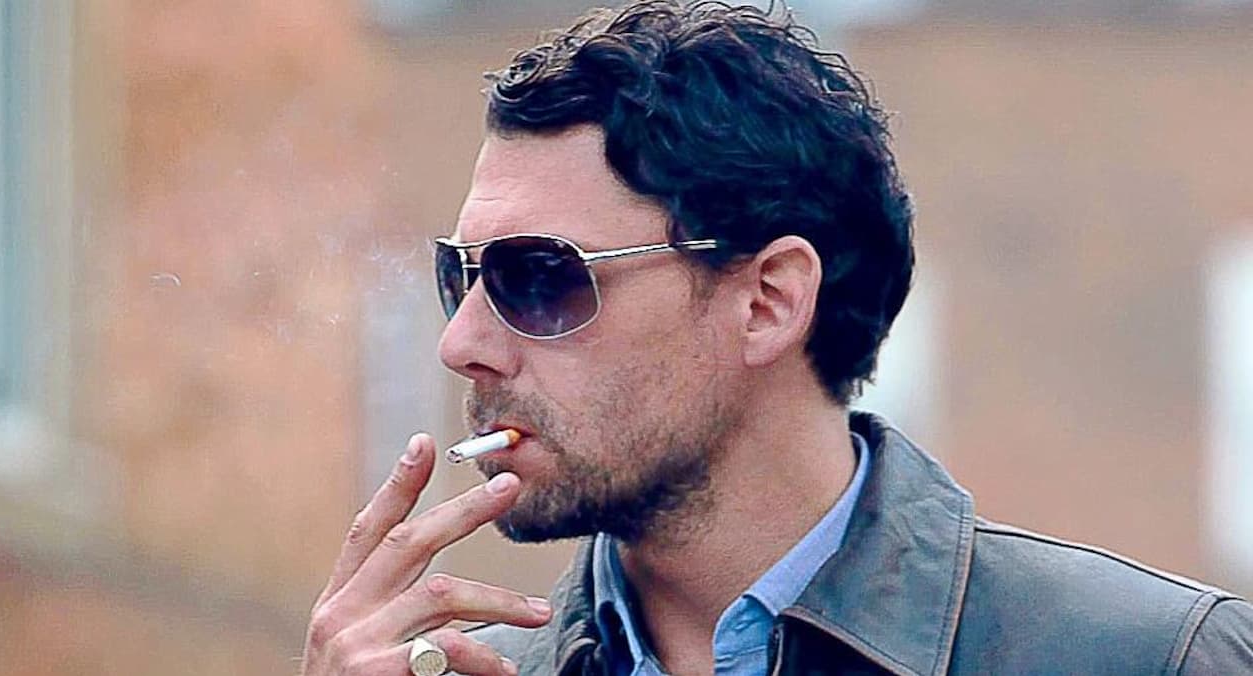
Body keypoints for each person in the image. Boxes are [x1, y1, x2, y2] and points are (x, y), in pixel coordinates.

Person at [298, 2, 1253, 674]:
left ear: (767, 301)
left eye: (539, 277)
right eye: (459, 278)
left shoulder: (1153, 658)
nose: (463, 342)